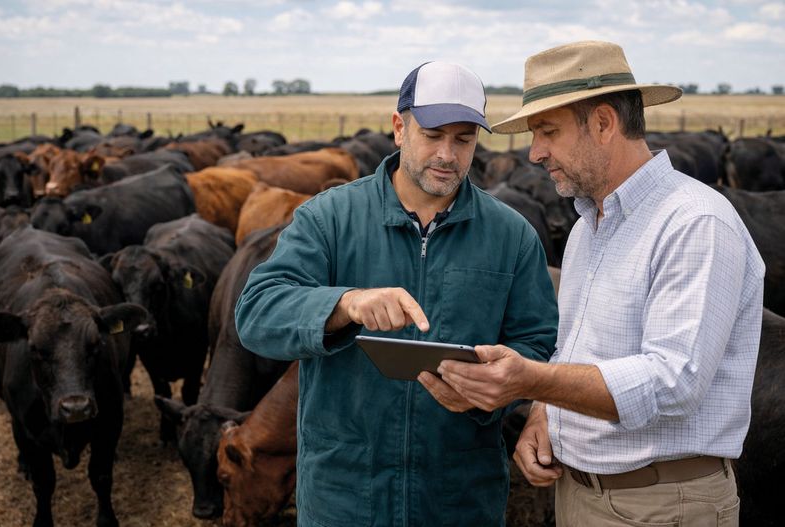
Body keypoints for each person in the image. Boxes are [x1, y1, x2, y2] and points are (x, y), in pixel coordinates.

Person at [437, 40, 765, 526]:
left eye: (547, 131)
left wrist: (529, 380)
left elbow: (674, 383)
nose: (535, 152)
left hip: (661, 504)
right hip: (583, 494)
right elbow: (576, 354)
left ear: (604, 123)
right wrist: (543, 414)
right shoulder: (589, 229)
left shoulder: (695, 222)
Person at [234, 61, 558, 526]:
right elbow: (257, 313)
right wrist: (345, 304)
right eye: (433, 134)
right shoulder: (328, 218)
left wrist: (497, 387)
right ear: (399, 128)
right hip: (344, 496)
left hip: (459, 497)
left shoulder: (512, 236)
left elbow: (539, 341)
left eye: (463, 138)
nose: (447, 153)